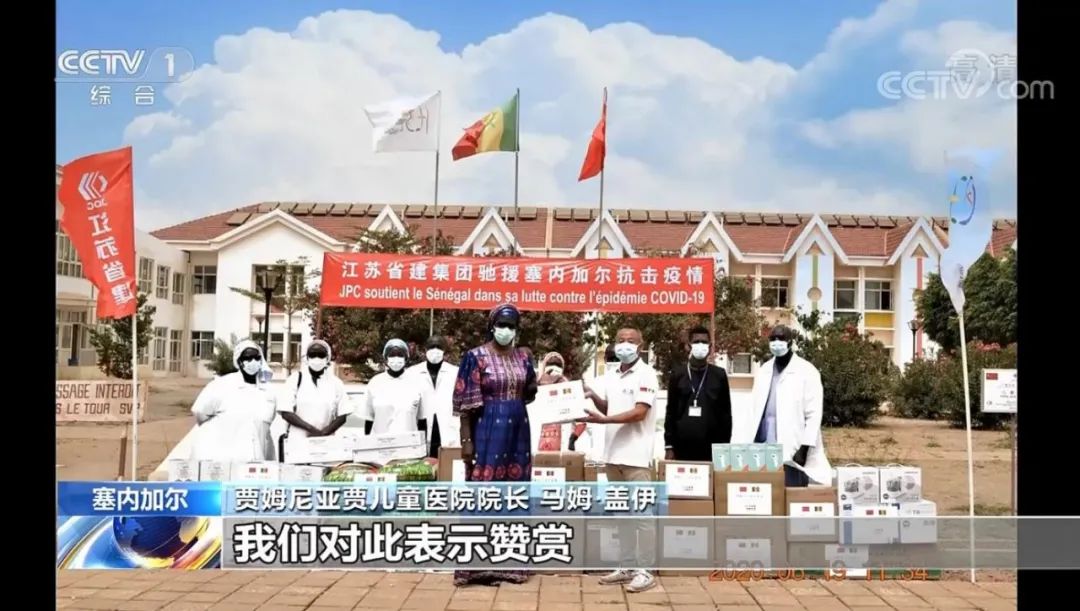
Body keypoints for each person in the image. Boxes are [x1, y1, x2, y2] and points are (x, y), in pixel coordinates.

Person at [453, 303, 537, 586]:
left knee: (514, 494)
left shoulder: (523, 357)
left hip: (518, 432)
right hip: (487, 430)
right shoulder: (475, 357)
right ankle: (476, 567)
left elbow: (530, 392)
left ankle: (510, 564)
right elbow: (465, 405)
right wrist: (466, 441)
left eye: (511, 326)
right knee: (484, 493)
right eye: (501, 325)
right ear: (492, 326)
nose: (506, 330)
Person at [582, 327, 659, 593]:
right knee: (622, 515)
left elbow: (639, 412)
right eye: (620, 340)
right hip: (612, 455)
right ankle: (626, 566)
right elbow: (611, 409)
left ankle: (645, 571)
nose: (625, 344)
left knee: (642, 516)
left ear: (641, 345)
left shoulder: (647, 374)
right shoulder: (613, 374)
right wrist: (594, 397)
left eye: (631, 341)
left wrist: (604, 420)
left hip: (636, 456)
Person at [733, 324, 831, 486]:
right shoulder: (764, 370)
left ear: (790, 342)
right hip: (763, 445)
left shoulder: (807, 371)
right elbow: (754, 410)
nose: (776, 342)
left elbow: (814, 414)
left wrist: (804, 448)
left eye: (781, 338)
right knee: (765, 492)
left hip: (793, 446)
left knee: (790, 489)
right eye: (773, 339)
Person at [190, 339, 277, 462]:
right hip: (224, 461)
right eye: (248, 358)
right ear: (239, 361)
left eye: (257, 358)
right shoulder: (222, 385)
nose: (253, 361)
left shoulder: (268, 392)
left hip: (256, 462)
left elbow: (267, 426)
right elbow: (200, 412)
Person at [664, 325, 733, 461]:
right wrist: (669, 446)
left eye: (704, 342)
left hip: (712, 447)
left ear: (710, 346)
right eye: (696, 342)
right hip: (681, 446)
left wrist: (724, 447)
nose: (700, 345)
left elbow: (726, 414)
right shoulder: (677, 374)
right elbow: (671, 412)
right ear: (688, 346)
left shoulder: (719, 375)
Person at [276, 339, 352, 460]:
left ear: (327, 358)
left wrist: (324, 433)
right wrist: (311, 429)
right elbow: (286, 412)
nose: (317, 359)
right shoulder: (295, 379)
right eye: (313, 355)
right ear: (307, 357)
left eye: (321, 355)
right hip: (298, 443)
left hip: (326, 443)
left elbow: (343, 415)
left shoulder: (335, 383)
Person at [408, 335, 459, 457]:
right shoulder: (412, 372)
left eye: (438, 347)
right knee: (423, 462)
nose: (435, 350)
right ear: (425, 349)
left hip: (448, 426)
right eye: (431, 347)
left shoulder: (455, 372)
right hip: (422, 424)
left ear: (444, 350)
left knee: (447, 462)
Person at [361, 339, 425, 436]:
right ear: (386, 358)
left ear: (406, 358)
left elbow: (422, 420)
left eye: (400, 355)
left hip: (408, 442)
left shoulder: (416, 383)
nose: (396, 358)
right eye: (392, 355)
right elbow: (369, 419)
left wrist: (422, 443)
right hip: (380, 441)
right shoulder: (375, 383)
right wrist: (368, 442)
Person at [536, 352, 586, 452]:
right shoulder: (536, 387)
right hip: (538, 442)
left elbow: (581, 419)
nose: (554, 367)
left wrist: (573, 438)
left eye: (557, 365)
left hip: (561, 443)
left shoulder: (568, 388)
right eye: (550, 364)